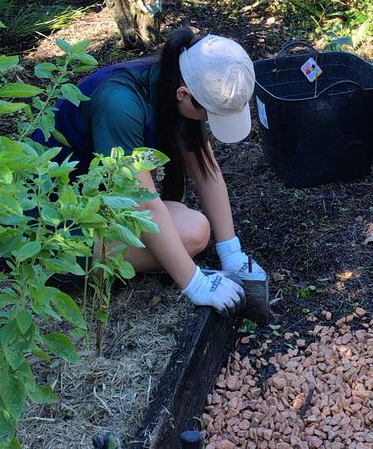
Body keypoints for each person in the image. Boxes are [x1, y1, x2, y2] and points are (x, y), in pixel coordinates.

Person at [43, 27, 263, 316]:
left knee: (193, 228)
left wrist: (231, 253)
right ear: (184, 94)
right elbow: (142, 204)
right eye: (209, 114)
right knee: (192, 234)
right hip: (51, 223)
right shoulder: (119, 105)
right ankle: (53, 263)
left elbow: (206, 172)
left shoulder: (176, 82)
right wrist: (195, 282)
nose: (208, 122)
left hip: (94, 204)